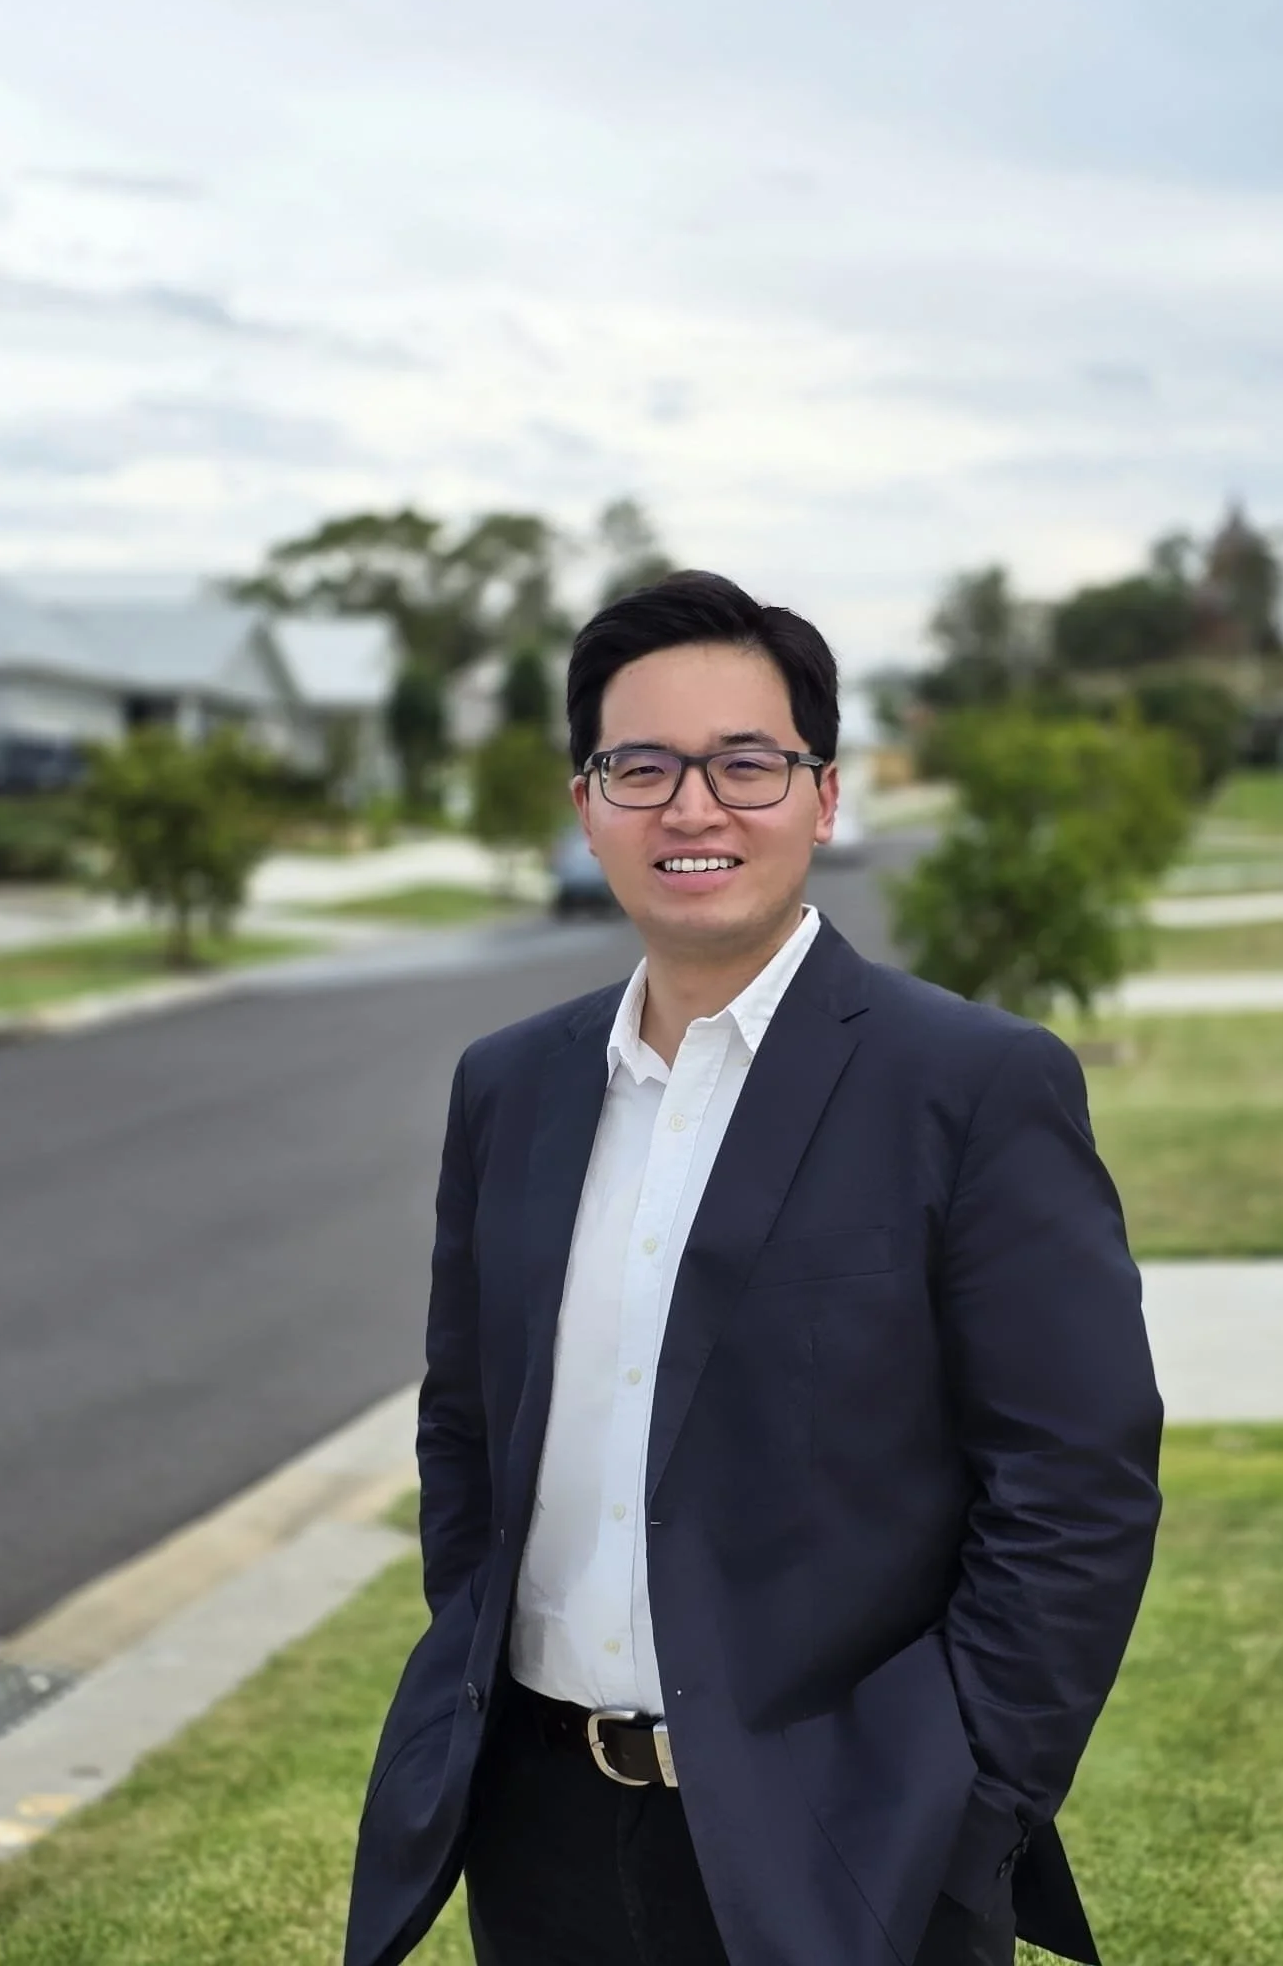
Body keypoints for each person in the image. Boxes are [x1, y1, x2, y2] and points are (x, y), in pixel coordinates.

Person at [344, 572, 1163, 1966]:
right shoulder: (511, 1088)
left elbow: (1074, 1484)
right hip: (537, 1832)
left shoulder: (968, 1085)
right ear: (586, 800)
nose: (693, 807)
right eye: (641, 764)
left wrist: (967, 1810)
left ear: (824, 797)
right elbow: (468, 1427)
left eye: (747, 763)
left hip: (842, 1844)